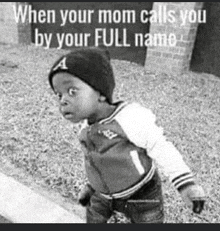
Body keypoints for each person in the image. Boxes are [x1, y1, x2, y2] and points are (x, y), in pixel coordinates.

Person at [48, 46, 206, 223]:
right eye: (58, 94)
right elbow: (95, 160)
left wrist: (186, 184)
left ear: (100, 93)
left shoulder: (129, 118)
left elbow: (159, 146)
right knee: (93, 219)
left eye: (71, 91)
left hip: (141, 194)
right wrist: (91, 187)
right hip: (103, 195)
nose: (63, 100)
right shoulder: (86, 127)